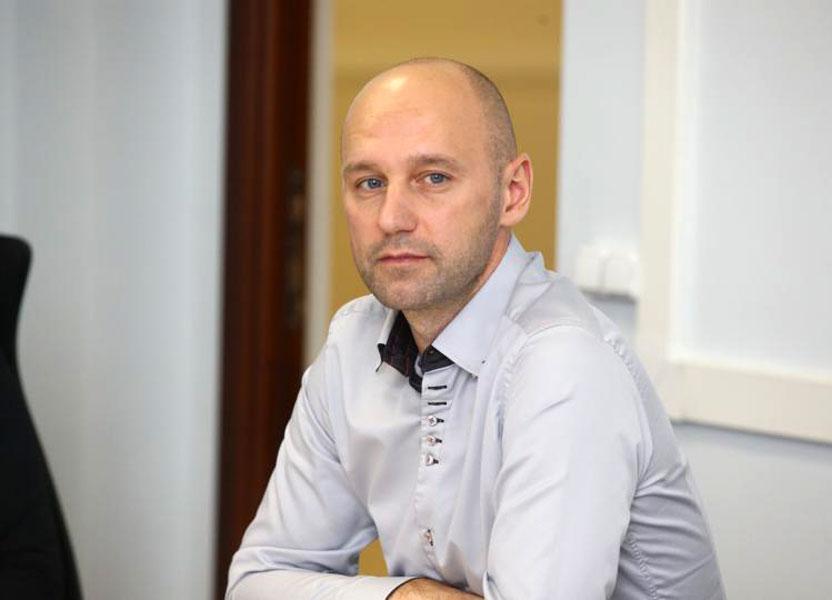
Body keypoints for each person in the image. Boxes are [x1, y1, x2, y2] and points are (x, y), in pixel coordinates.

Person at [226, 57, 725, 599]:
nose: (392, 217)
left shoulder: (563, 362)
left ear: (513, 192)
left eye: (434, 178)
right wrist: (405, 596)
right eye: (369, 182)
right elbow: (255, 582)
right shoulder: (353, 343)